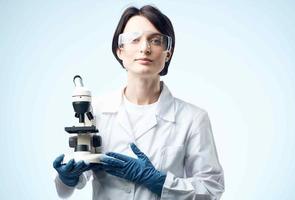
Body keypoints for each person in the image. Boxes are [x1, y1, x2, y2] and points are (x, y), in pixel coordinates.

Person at [53, 5, 224, 200]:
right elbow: (81, 172)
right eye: (134, 39)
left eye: (156, 40)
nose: (145, 48)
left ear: (168, 52)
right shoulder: (96, 111)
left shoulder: (193, 118)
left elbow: (211, 189)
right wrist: (68, 177)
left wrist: (158, 181)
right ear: (120, 50)